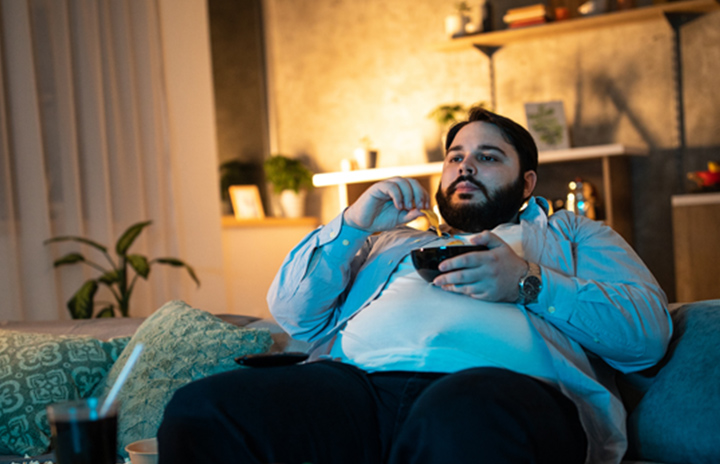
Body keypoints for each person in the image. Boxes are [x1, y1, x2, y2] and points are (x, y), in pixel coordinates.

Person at [158, 107, 672, 464]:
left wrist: (528, 283)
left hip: (499, 393)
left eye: (489, 157)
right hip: (355, 389)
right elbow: (293, 312)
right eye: (455, 156)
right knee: (204, 409)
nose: (465, 164)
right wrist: (354, 224)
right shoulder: (391, 243)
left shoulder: (572, 235)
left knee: (458, 418)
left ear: (528, 183)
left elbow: (647, 335)